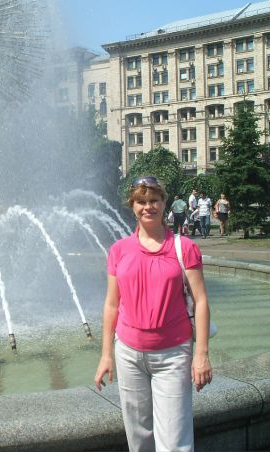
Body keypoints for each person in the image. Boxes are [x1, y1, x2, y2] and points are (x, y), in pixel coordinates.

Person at [94, 176, 213, 452]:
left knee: (174, 442)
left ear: (163, 203)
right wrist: (106, 355)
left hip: (173, 355)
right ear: (132, 206)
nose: (148, 207)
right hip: (128, 355)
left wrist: (202, 354)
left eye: (154, 200)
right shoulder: (119, 250)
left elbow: (201, 301)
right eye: (141, 201)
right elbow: (112, 304)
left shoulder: (184, 248)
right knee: (139, 440)